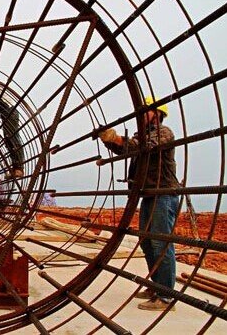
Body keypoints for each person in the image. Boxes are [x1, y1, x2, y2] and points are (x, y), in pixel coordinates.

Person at [98, 96, 180, 311]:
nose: (141, 115)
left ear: (157, 114)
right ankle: (156, 286)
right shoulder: (140, 137)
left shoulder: (164, 133)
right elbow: (128, 149)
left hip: (163, 193)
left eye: (146, 111)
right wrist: (109, 139)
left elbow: (144, 148)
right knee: (146, 241)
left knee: (161, 243)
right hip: (149, 194)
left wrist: (117, 138)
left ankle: (166, 297)